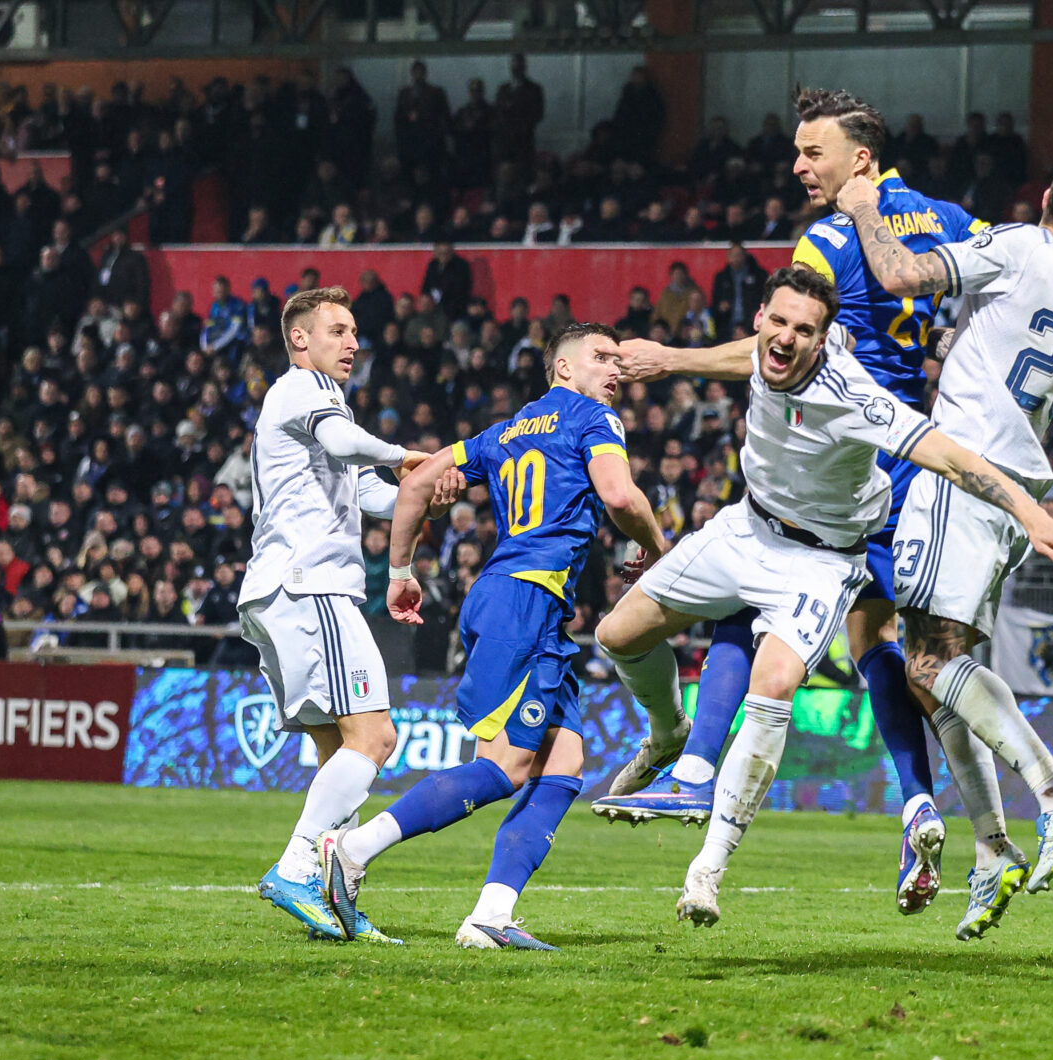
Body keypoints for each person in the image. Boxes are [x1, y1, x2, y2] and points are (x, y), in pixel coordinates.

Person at [593, 87, 995, 922]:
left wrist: (672, 356)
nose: (799, 166)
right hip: (913, 465)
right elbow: (1019, 268)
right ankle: (925, 805)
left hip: (841, 443)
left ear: (861, 159)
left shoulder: (829, 236)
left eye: (813, 152)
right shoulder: (945, 217)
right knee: (895, 648)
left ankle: (696, 771)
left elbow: (783, 337)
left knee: (762, 593)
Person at [591, 267, 1053, 928]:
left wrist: (1029, 513)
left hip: (820, 559)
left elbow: (945, 453)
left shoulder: (849, 392)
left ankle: (706, 872)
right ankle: (670, 734)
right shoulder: (763, 351)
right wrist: (672, 360)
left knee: (776, 682)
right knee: (617, 636)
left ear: (825, 340)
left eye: (804, 331)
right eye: (777, 323)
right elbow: (738, 358)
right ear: (762, 320)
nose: (786, 339)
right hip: (745, 527)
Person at [835, 156, 1053, 937]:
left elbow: (897, 273)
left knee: (923, 661)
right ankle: (992, 851)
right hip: (1017, 488)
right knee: (944, 674)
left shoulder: (1014, 245)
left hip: (963, 472)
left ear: (1041, 201)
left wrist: (863, 206)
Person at [318, 324, 669, 951]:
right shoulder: (594, 419)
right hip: (526, 599)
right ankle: (351, 848)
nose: (615, 369)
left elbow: (419, 481)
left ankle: (491, 915)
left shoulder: (502, 432)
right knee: (505, 768)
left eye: (620, 359)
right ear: (563, 368)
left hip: (519, 599)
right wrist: (656, 547)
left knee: (562, 762)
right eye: (601, 358)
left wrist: (400, 572)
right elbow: (618, 493)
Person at [241, 287, 460, 943]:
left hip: (283, 591)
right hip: (311, 590)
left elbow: (365, 489)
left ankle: (331, 904)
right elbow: (349, 446)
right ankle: (295, 866)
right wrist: (412, 458)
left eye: (355, 331)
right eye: (338, 330)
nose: (353, 342)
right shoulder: (302, 390)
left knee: (338, 749)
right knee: (377, 739)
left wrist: (416, 493)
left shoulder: (319, 405)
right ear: (301, 339)